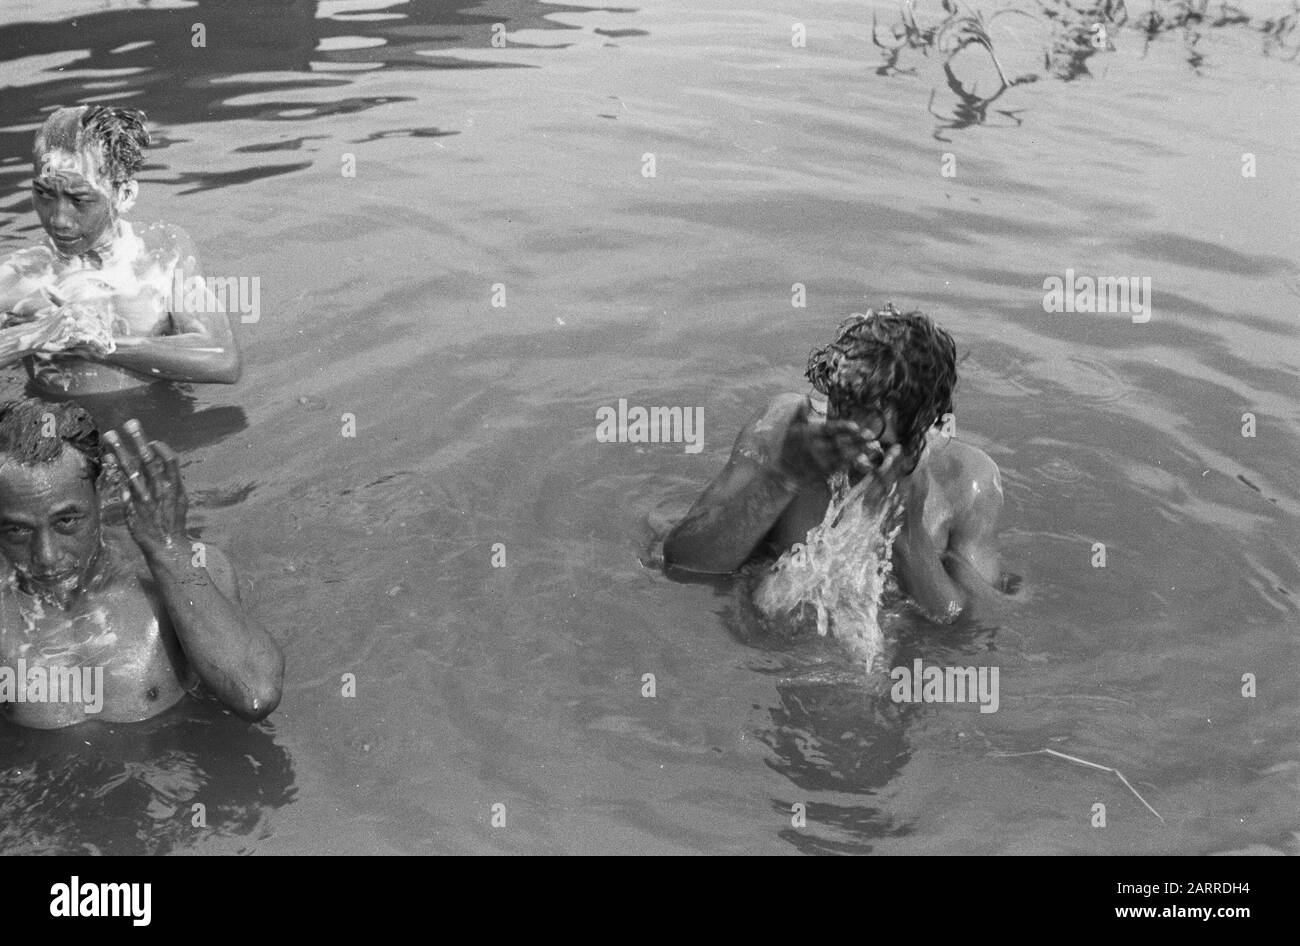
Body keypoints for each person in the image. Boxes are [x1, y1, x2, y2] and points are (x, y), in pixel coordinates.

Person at [663, 304, 1003, 621]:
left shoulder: (967, 481)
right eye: (841, 430)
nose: (853, 456)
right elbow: (684, 561)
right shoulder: (782, 428)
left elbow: (967, 625)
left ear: (927, 428)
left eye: (877, 447)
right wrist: (782, 478)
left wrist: (906, 530)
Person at [0, 399, 281, 728]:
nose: (46, 556)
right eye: (17, 530)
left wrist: (167, 547)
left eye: (67, 521)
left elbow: (256, 695)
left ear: (102, 491)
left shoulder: (189, 571)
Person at [0, 105, 240, 396]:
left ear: (124, 195)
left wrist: (98, 343)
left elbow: (223, 360)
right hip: (61, 430)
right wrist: (39, 333)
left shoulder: (165, 249)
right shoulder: (19, 274)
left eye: (79, 200)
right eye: (44, 194)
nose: (58, 219)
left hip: (162, 432)